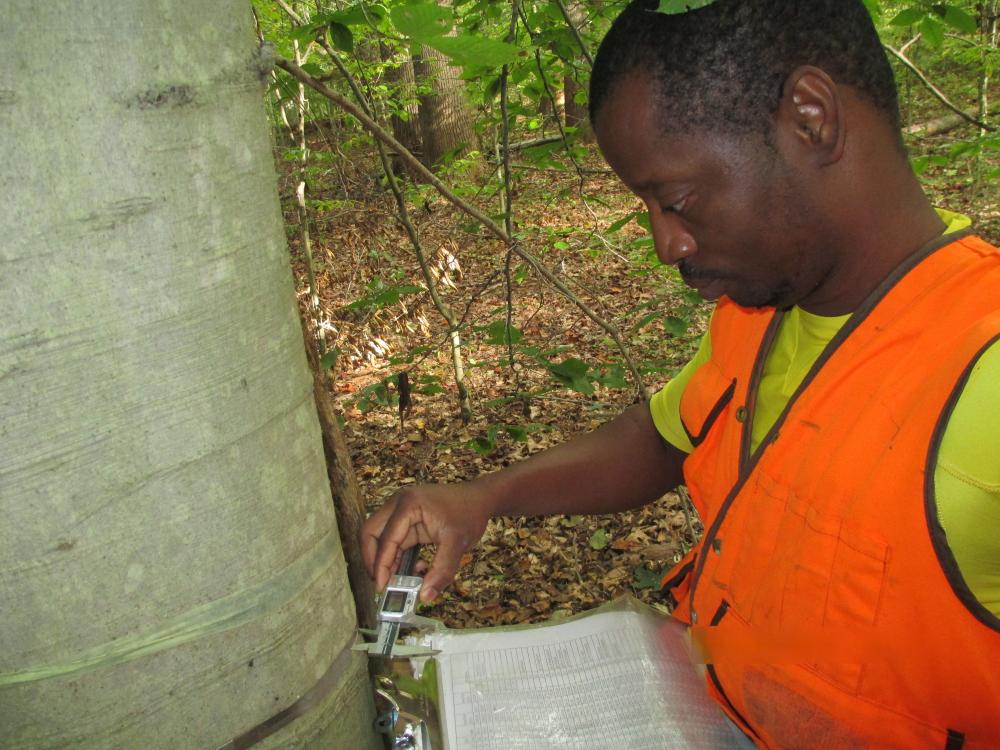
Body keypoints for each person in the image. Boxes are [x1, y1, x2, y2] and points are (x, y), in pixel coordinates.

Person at [361, 1, 1000, 746]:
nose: (667, 242)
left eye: (679, 200)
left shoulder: (980, 364)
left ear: (811, 117)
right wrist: (482, 496)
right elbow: (666, 438)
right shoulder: (764, 311)